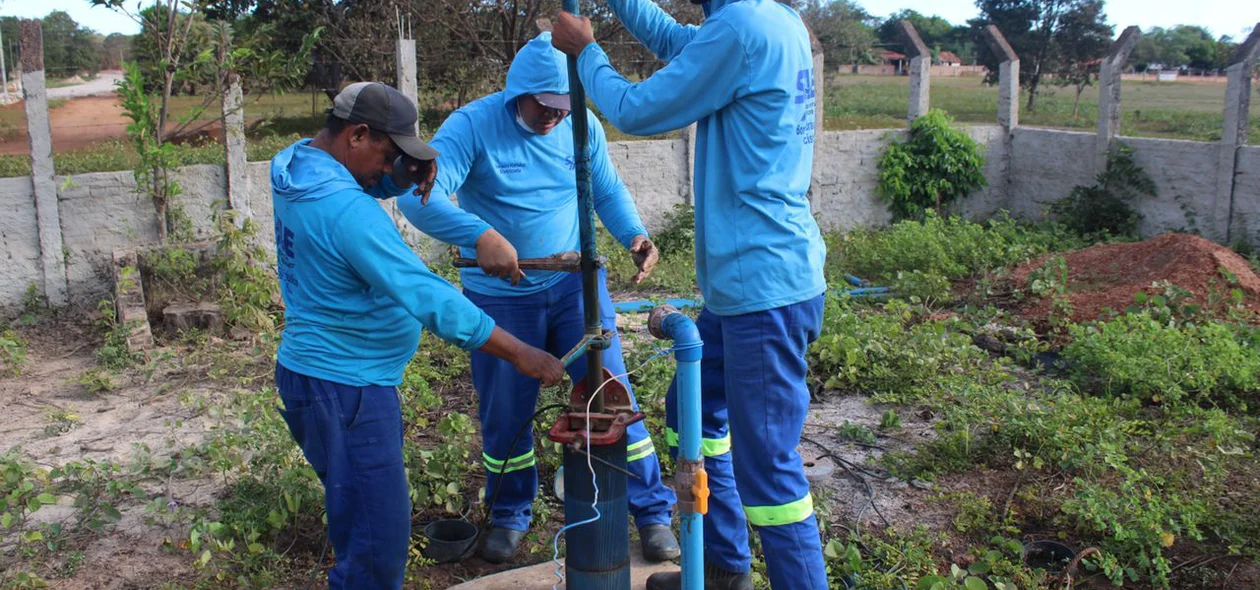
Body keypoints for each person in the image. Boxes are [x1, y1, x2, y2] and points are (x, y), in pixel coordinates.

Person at [552, 0, 828, 588]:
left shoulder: (744, 28)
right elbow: (680, 42)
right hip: (745, 289)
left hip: (764, 290)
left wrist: (585, 53)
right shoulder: (769, 19)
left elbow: (634, 109)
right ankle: (725, 569)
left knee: (770, 474)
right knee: (692, 414)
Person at [397, 33, 680, 565]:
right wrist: (479, 235)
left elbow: (607, 189)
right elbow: (422, 200)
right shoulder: (472, 127)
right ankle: (509, 515)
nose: (553, 117)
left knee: (611, 395)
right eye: (544, 106)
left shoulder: (580, 124)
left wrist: (635, 236)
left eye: (562, 107)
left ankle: (650, 513)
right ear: (516, 95)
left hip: (577, 287)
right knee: (507, 411)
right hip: (502, 297)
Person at [270, 81, 566, 590]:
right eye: (389, 156)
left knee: (359, 524)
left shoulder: (295, 165)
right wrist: (521, 354)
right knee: (377, 549)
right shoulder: (348, 214)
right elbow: (431, 298)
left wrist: (410, 176)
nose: (389, 172)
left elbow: (364, 178)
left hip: (312, 378)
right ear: (358, 134)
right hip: (348, 391)